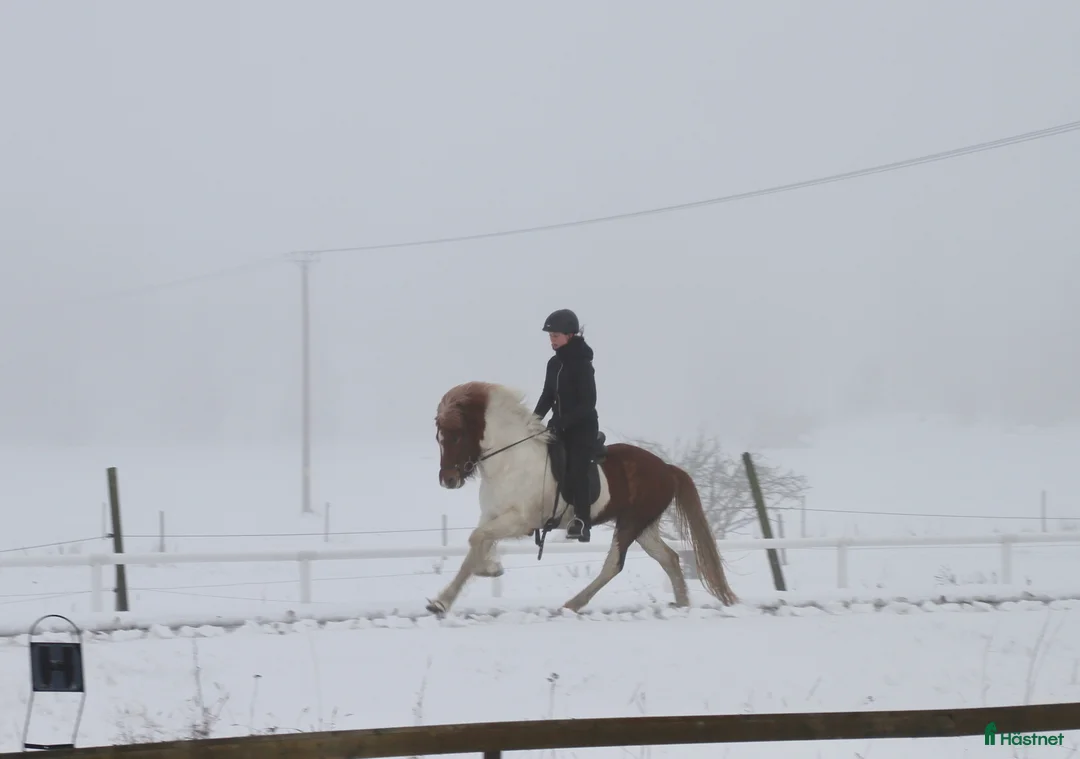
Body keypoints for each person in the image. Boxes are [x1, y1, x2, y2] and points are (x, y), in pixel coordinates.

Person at [533, 308, 599, 542]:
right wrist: (532, 421)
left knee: (576, 470)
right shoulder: (554, 364)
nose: (552, 340)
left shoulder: (582, 364)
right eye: (550, 336)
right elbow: (547, 396)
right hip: (559, 427)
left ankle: (582, 520)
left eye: (556, 336)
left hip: (582, 429)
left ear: (570, 335)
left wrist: (562, 422)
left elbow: (588, 403)